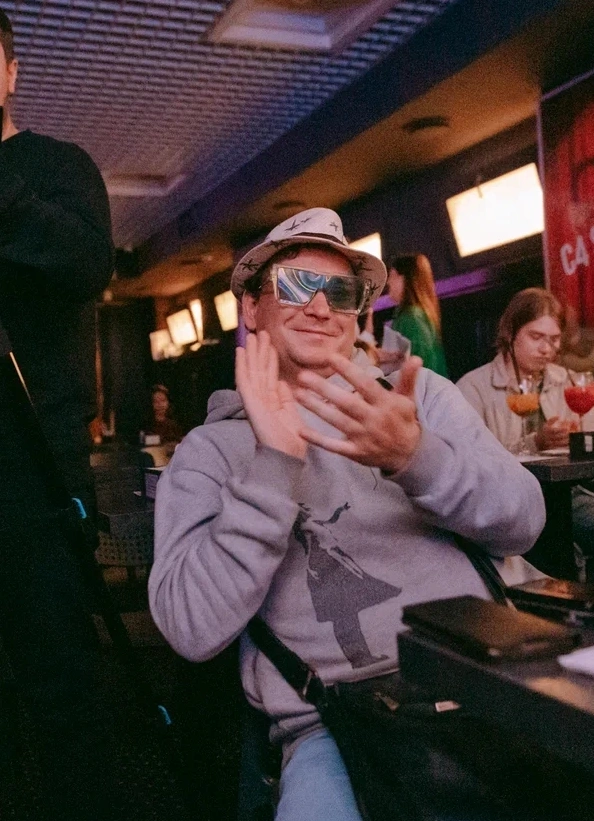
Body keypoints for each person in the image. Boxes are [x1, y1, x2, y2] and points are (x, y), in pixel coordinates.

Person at [149, 207, 545, 820]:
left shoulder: (418, 400)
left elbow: (526, 522)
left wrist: (415, 457)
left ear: (358, 312)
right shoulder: (211, 450)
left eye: (339, 292)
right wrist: (274, 465)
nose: (319, 306)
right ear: (251, 307)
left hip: (495, 678)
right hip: (339, 721)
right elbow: (189, 627)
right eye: (295, 284)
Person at [0, 9, 129, 819]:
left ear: (10, 71)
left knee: (62, 689)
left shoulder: (56, 167)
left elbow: (86, 264)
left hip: (34, 478)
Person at [456, 287, 594, 576]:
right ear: (511, 334)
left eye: (554, 339)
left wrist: (578, 434)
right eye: (536, 337)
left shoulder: (567, 380)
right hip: (508, 504)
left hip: (568, 495)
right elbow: (469, 465)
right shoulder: (474, 387)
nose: (546, 349)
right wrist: (536, 441)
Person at [386, 253, 448, 376]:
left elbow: (421, 366)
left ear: (405, 279)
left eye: (393, 276)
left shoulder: (412, 317)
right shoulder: (415, 314)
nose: (388, 282)